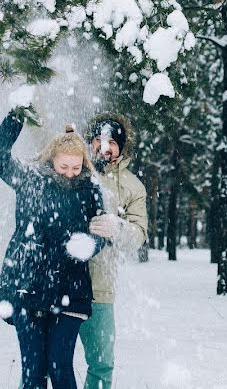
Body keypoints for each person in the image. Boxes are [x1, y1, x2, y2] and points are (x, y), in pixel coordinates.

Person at [0, 106, 105, 389]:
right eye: (64, 167)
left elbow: (102, 232)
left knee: (60, 366)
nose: (69, 174)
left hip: (71, 289)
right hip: (28, 285)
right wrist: (16, 115)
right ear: (51, 159)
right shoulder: (30, 180)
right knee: (34, 372)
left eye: (76, 168)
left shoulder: (91, 189)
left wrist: (92, 244)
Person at [80, 113, 148, 389]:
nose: (104, 147)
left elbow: (139, 237)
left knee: (101, 363)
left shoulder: (133, 187)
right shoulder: (74, 168)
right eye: (98, 140)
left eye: (111, 142)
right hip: (59, 283)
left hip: (100, 289)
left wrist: (118, 227)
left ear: (121, 147)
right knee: (51, 361)